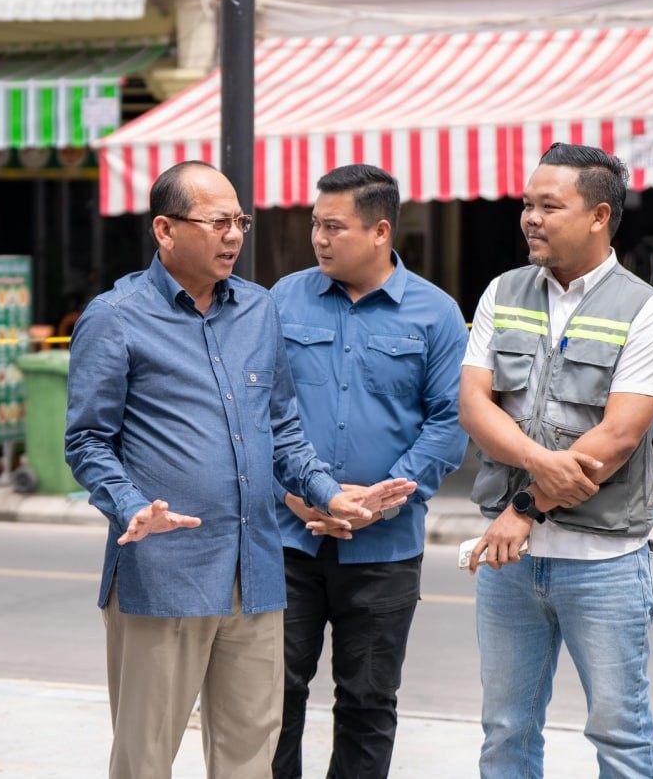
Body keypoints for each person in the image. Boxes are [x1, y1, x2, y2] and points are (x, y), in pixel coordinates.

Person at [63, 160, 415, 779]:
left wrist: (329, 495)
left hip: (255, 572)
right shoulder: (115, 316)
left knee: (251, 756)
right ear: (165, 230)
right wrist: (130, 504)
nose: (233, 236)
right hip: (165, 571)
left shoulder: (257, 309)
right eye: (218, 222)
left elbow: (283, 431)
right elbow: (88, 440)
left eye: (240, 222)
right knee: (145, 759)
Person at [460, 142, 653, 778]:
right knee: (506, 730)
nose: (530, 218)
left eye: (549, 206)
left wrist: (523, 509)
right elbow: (474, 407)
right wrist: (537, 464)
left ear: (598, 216)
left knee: (619, 733)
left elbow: (615, 441)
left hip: (603, 562)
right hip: (509, 566)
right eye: (527, 204)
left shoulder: (646, 310)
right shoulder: (502, 292)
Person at [268, 164, 469, 778]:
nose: (318, 238)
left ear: (380, 231)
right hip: (288, 540)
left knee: (368, 701)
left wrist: (381, 501)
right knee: (273, 696)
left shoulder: (435, 314)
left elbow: (450, 421)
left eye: (334, 226)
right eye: (315, 224)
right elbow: (255, 409)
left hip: (385, 546)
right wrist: (296, 494)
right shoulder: (283, 300)